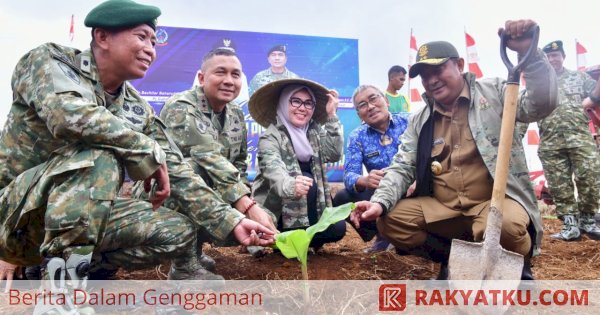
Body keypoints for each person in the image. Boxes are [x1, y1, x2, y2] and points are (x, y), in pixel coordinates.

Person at [0, 0, 274, 288]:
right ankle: (61, 296)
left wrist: (232, 220)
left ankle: (69, 268)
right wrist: (145, 149)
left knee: (178, 231)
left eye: (154, 42)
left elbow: (177, 170)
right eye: (141, 37)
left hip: (71, 220)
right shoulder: (49, 61)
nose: (150, 49)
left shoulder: (137, 108)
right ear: (102, 37)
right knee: (97, 157)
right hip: (14, 215)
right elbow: (67, 115)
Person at [350, 20, 558, 280]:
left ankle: (517, 265)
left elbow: (542, 103)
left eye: (438, 69)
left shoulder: (494, 93)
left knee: (503, 228)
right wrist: (379, 202)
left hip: (492, 203)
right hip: (444, 207)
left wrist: (532, 57)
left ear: (459, 65)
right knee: (390, 221)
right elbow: (402, 166)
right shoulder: (421, 119)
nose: (432, 80)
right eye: (425, 75)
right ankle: (454, 259)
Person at [160, 47, 278, 256]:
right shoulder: (181, 106)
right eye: (220, 72)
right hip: (164, 197)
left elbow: (239, 164)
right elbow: (207, 157)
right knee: (195, 169)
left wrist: (249, 209)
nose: (229, 81)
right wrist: (247, 206)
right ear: (201, 77)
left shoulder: (235, 113)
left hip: (214, 198)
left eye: (235, 74)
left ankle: (242, 238)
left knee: (267, 216)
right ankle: (185, 261)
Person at [250, 78, 345, 250]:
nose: (302, 108)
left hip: (307, 203)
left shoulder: (314, 132)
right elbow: (273, 170)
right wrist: (290, 185)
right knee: (307, 180)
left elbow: (334, 153)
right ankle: (283, 241)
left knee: (337, 229)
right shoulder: (271, 137)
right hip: (277, 210)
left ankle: (301, 243)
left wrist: (332, 116)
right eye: (296, 101)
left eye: (309, 103)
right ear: (284, 103)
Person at [333, 85, 410, 253]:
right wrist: (364, 180)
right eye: (362, 105)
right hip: (382, 193)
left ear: (386, 101)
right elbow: (349, 175)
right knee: (342, 197)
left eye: (374, 98)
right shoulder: (357, 136)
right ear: (359, 114)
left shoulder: (410, 122)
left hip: (414, 188)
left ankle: (413, 238)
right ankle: (382, 236)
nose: (370, 106)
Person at [540, 40, 600, 241]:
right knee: (559, 186)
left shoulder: (579, 77)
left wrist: (592, 99)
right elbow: (524, 112)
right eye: (548, 56)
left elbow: (597, 90)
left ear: (563, 57)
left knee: (590, 178)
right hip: (550, 142)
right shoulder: (538, 84)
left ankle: (588, 221)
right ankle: (570, 226)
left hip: (580, 139)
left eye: (555, 55)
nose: (552, 59)